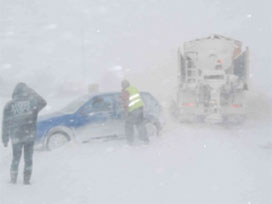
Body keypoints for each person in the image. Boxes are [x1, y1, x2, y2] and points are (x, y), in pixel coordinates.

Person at [2, 82, 47, 185]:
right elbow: (43, 102)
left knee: (15, 158)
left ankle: (13, 180)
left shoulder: (10, 105)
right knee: (28, 159)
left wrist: (5, 138)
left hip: (16, 136)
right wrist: (32, 92)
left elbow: (5, 122)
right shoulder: (33, 102)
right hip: (29, 136)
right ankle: (26, 181)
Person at [121, 80, 149, 145]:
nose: (121, 87)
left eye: (122, 85)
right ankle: (145, 139)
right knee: (140, 124)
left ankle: (130, 141)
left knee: (128, 126)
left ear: (124, 85)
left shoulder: (125, 91)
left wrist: (126, 111)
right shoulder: (133, 88)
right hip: (139, 108)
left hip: (132, 110)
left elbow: (126, 102)